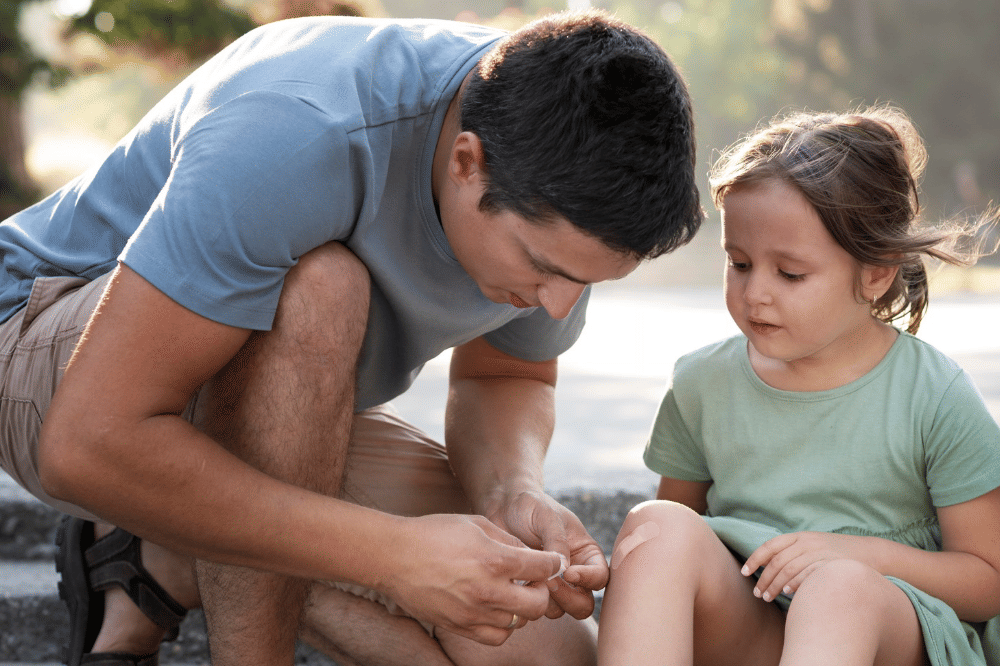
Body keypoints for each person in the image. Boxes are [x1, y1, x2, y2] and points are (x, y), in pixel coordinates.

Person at [0, 9, 702, 666]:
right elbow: (86, 444)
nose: (558, 307)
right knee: (323, 289)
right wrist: (392, 556)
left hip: (271, 414)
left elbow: (504, 376)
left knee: (541, 645)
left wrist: (509, 491)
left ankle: (166, 549)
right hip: (56, 347)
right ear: (466, 163)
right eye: (544, 269)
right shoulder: (300, 132)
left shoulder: (553, 159)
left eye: (587, 285)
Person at [596, 105, 1000, 666]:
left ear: (876, 272)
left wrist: (852, 555)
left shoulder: (933, 395)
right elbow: (682, 543)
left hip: (889, 630)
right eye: (738, 264)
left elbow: (987, 580)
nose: (756, 293)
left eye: (789, 274)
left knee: (838, 588)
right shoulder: (702, 384)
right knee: (655, 527)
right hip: (756, 625)